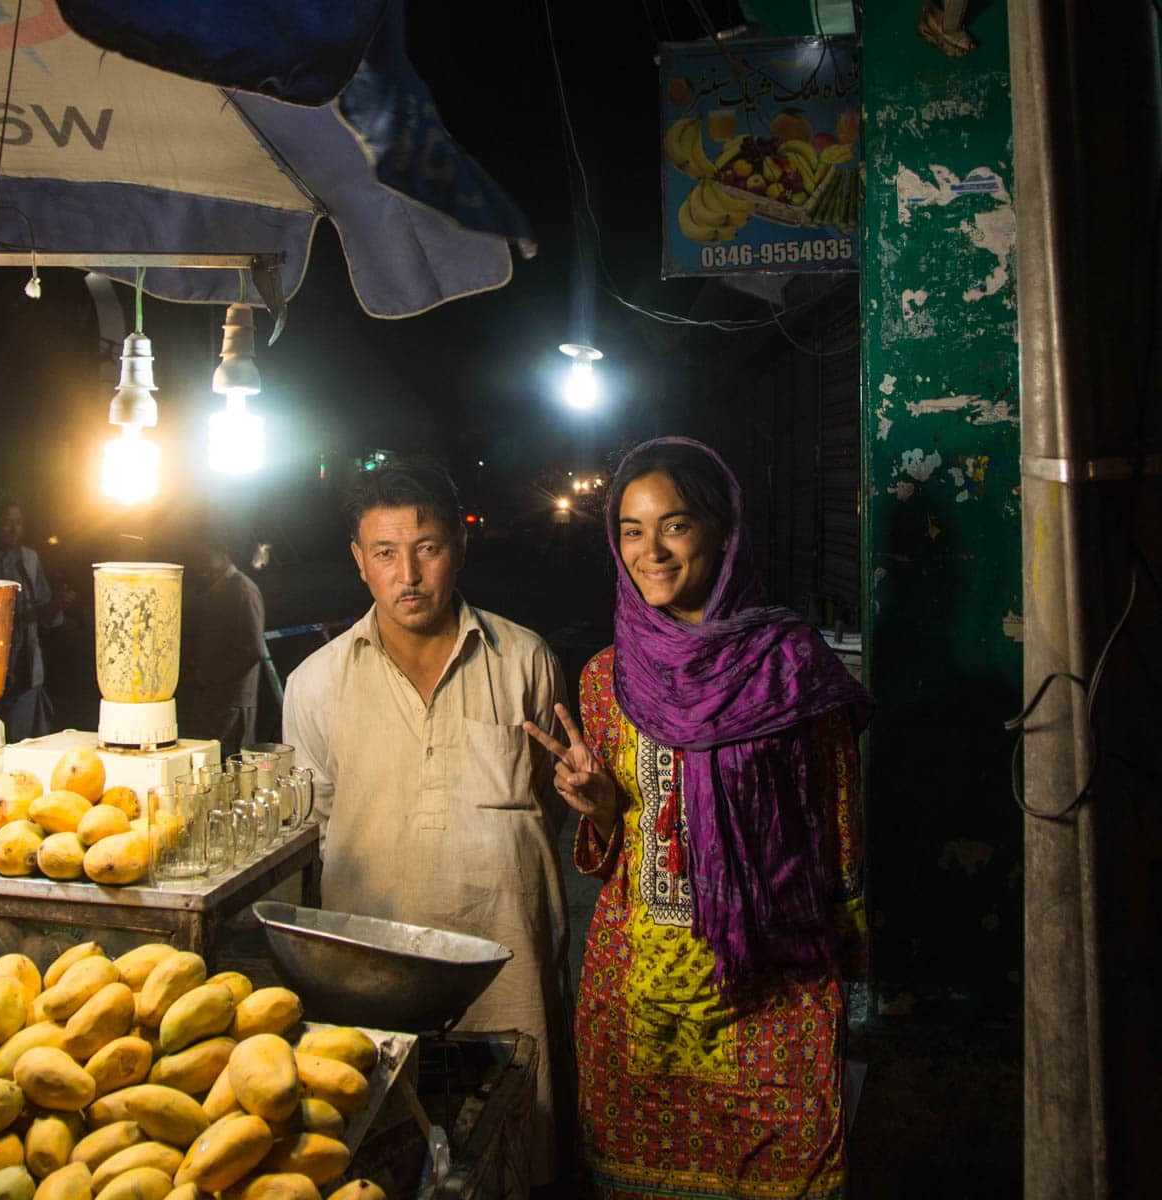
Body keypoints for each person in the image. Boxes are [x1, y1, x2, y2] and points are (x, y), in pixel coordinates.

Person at [524, 437, 871, 1200]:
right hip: (638, 992)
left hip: (772, 994)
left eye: (675, 526)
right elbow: (621, 845)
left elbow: (838, 827)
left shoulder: (789, 665)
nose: (652, 551)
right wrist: (604, 809)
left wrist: (858, 980)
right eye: (631, 530)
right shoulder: (604, 680)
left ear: (723, 530)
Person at [283, 459, 572, 1188]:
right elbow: (306, 835)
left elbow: (550, 804)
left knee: (518, 1153)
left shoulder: (527, 660)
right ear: (359, 562)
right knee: (375, 1156)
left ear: (460, 549)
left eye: (428, 548)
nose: (407, 574)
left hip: (510, 971)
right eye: (385, 553)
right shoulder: (314, 683)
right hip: (370, 978)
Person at [0, 499, 74, 742]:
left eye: (18, 523)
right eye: (6, 523)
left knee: (26, 734)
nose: (13, 529)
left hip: (26, 662)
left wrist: (58, 602)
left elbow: (45, 614)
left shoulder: (30, 559)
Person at [179, 525, 266, 759]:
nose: (200, 566)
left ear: (222, 553)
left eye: (204, 558)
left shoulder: (241, 589)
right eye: (196, 560)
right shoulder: (217, 590)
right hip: (215, 702)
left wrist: (208, 677)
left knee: (230, 768)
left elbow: (253, 649)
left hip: (232, 704)